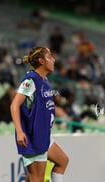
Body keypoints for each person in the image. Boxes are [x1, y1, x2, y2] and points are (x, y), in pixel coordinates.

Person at [10, 46, 69, 182]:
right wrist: (19, 131)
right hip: (33, 137)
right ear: (42, 61)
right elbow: (14, 105)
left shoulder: (45, 80)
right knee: (37, 179)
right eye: (50, 57)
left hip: (43, 135)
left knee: (62, 161)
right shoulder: (30, 81)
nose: (53, 60)